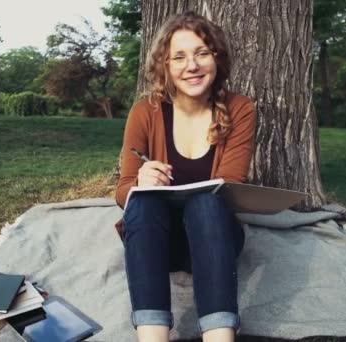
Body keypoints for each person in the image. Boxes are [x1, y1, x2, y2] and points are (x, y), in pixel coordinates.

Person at [115, 11, 257, 342]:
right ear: (165, 64)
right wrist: (140, 182)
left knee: (207, 204)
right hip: (155, 243)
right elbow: (123, 192)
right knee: (143, 205)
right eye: (178, 56)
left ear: (216, 58)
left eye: (201, 53)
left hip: (213, 241)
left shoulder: (239, 108)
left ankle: (220, 337)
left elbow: (230, 185)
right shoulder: (145, 110)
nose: (191, 66)